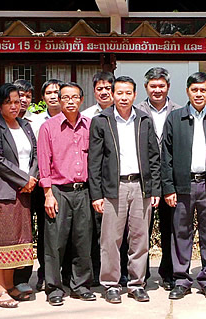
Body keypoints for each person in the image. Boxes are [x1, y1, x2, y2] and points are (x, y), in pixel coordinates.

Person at [162, 72, 206, 300]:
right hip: (183, 187)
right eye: (194, 90)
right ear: (187, 92)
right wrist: (168, 188)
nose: (199, 94)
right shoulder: (175, 118)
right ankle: (181, 279)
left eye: (203, 90)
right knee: (181, 234)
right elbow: (167, 157)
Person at [89, 76, 161, 304]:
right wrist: (96, 194)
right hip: (113, 188)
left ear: (135, 95)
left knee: (140, 238)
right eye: (119, 92)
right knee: (111, 239)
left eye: (128, 93)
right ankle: (111, 284)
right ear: (113, 94)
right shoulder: (102, 120)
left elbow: (153, 157)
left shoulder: (144, 120)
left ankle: (136, 283)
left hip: (141, 187)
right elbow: (94, 161)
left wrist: (155, 189)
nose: (123, 97)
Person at [0, 83, 39, 308]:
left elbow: (34, 156)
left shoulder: (25, 125)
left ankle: (11, 284)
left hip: (22, 192)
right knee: (0, 240)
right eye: (9, 102)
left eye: (17, 101)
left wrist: (31, 179)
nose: (14, 106)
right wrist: (24, 180)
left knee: (15, 239)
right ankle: (0, 290)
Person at [38, 82, 95, 306]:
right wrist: (48, 194)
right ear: (59, 101)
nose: (70, 101)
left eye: (74, 97)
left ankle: (80, 286)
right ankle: (53, 288)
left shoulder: (90, 125)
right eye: (65, 97)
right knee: (55, 243)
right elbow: (44, 162)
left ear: (82, 100)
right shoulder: (48, 127)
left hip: (83, 192)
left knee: (82, 241)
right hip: (59, 192)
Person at [135, 67, 182, 290]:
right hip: (145, 179)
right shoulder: (136, 111)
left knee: (170, 227)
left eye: (161, 85)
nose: (157, 89)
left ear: (168, 87)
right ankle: (139, 274)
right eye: (153, 86)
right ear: (146, 88)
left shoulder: (179, 111)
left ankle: (169, 272)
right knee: (140, 229)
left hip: (171, 179)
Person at [81, 71, 116, 286]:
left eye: (107, 88)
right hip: (94, 183)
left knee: (118, 233)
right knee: (95, 231)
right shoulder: (87, 117)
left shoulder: (125, 114)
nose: (104, 92)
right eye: (99, 88)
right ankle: (95, 273)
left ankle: (118, 273)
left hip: (117, 183)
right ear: (94, 91)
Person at [31, 79, 62, 292]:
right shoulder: (36, 122)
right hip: (41, 185)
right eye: (48, 92)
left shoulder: (79, 119)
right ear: (43, 98)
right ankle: (44, 274)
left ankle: (65, 273)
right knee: (45, 232)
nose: (53, 96)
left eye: (57, 92)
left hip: (64, 185)